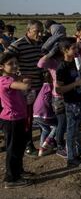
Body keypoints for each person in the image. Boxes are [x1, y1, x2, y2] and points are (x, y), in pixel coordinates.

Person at [7, 20, 44, 156]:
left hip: (40, 86)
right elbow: (5, 61)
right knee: (27, 119)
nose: (40, 34)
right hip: (26, 89)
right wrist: (17, 78)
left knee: (40, 115)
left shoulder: (40, 44)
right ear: (28, 31)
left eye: (41, 31)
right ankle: (28, 145)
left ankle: (44, 143)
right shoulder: (18, 45)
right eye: (36, 31)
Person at [55, 37, 81, 168]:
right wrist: (76, 84)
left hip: (80, 99)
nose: (76, 50)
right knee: (71, 130)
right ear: (65, 50)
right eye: (73, 48)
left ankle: (78, 151)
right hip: (71, 103)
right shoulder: (62, 67)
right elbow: (58, 89)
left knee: (78, 128)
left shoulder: (75, 62)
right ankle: (71, 158)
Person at [0, 52, 33, 188]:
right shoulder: (4, 80)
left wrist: (20, 77)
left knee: (19, 148)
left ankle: (18, 172)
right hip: (11, 119)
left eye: (16, 63)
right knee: (13, 149)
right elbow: (25, 86)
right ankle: (11, 179)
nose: (14, 66)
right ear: (1, 67)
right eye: (10, 64)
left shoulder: (12, 77)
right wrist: (23, 79)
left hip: (19, 117)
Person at [33, 71, 57, 157]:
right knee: (57, 126)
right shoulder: (50, 86)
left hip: (36, 113)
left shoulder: (43, 87)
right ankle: (47, 142)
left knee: (45, 130)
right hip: (44, 113)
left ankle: (41, 149)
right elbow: (50, 101)